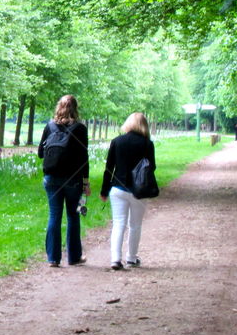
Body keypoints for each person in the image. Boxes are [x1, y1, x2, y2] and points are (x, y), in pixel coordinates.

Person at [37, 95, 90, 267]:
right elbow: (84, 158)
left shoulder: (50, 126)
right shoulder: (80, 129)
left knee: (54, 216)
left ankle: (53, 258)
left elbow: (40, 153)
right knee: (73, 216)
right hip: (73, 179)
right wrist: (86, 182)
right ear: (76, 108)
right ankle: (74, 257)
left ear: (58, 107)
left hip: (51, 178)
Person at [100, 112, 156, 270]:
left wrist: (104, 190)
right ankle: (131, 258)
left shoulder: (117, 141)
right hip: (139, 190)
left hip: (118, 188)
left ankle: (115, 259)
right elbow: (152, 167)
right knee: (135, 225)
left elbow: (109, 168)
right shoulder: (147, 144)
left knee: (118, 224)